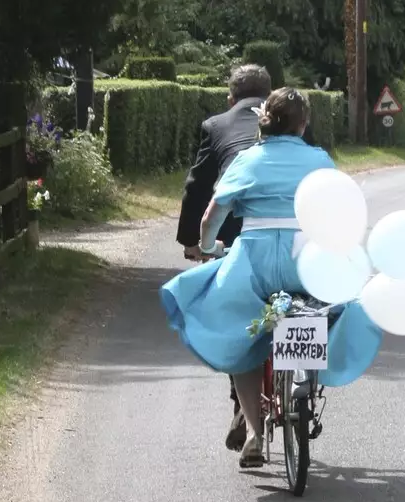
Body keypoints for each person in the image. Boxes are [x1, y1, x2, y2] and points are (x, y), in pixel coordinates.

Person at [161, 88, 382, 469]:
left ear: (265, 120)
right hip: (306, 258)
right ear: (304, 124)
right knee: (328, 307)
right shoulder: (319, 160)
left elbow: (212, 215)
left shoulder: (249, 160)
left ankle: (253, 431)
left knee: (239, 330)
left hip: (254, 260)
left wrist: (210, 247)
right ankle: (306, 380)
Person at [176, 62, 272, 453]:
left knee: (237, 316)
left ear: (231, 97)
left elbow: (198, 187)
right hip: (294, 231)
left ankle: (244, 408)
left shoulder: (216, 126)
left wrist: (191, 242)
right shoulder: (295, 117)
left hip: (235, 234)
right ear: (270, 95)